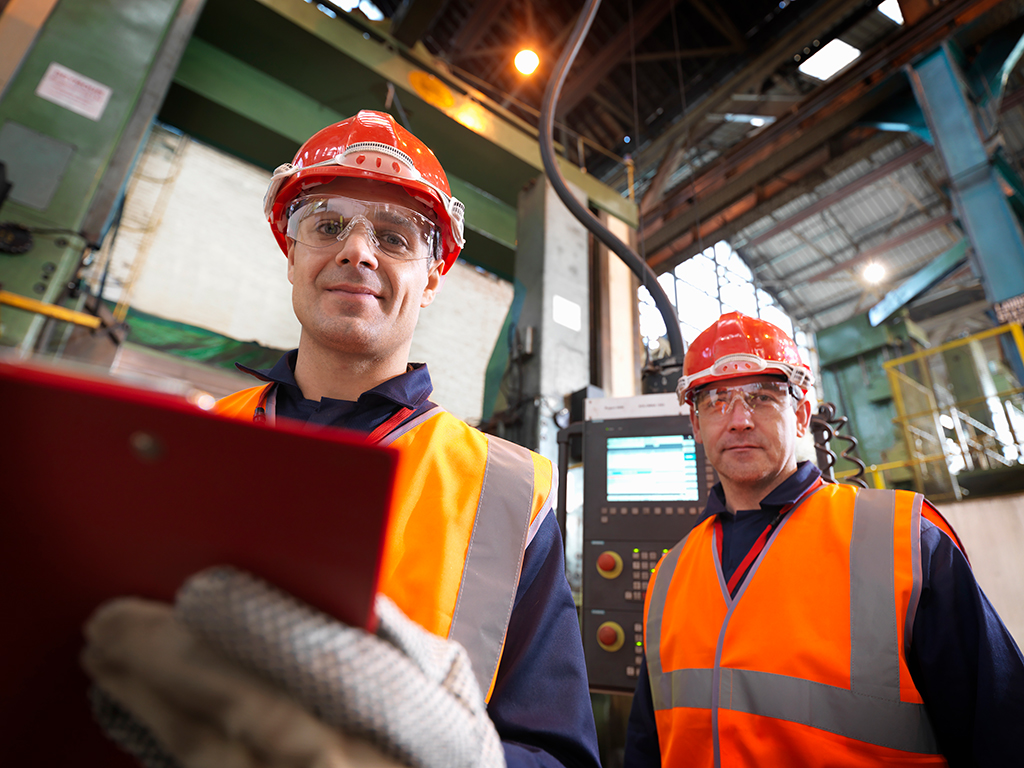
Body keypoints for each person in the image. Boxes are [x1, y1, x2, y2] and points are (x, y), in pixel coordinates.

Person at [83, 111, 601, 768]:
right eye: (328, 226)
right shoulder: (194, 441)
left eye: (393, 236)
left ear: (434, 277)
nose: (358, 251)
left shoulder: (508, 493)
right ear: (291, 252)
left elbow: (561, 756)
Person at [623, 311, 1024, 767]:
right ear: (695, 424)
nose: (738, 420)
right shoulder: (671, 574)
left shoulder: (903, 542)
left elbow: (1002, 733)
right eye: (715, 400)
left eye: (761, 397)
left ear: (800, 414)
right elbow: (646, 743)